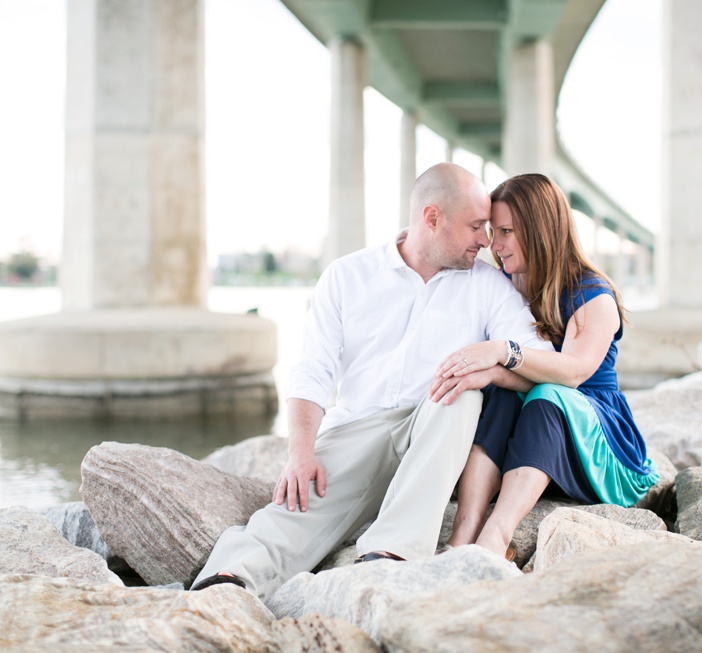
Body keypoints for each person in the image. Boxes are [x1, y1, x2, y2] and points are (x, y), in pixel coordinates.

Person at [190, 163, 551, 599]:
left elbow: (541, 357)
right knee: (297, 503)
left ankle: (390, 555)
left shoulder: (489, 286)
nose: (486, 240)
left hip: (435, 433)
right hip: (357, 429)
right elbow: (313, 369)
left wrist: (492, 366)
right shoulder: (347, 275)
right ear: (432, 218)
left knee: (462, 393)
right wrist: (300, 451)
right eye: (476, 226)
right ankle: (229, 580)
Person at [428, 173, 659, 560]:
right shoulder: (506, 285)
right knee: (499, 390)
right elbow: (508, 378)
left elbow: (573, 373)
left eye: (506, 231)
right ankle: (462, 534)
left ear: (540, 229)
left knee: (548, 393)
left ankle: (496, 537)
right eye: (490, 230)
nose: (493, 244)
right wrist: (492, 372)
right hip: (538, 449)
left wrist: (504, 351)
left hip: (601, 444)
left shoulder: (592, 294)